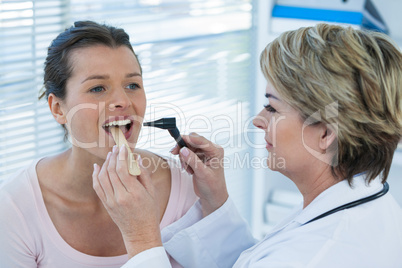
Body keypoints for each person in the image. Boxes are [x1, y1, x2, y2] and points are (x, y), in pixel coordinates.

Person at [93, 23, 402, 267]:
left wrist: (141, 238)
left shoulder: (315, 256)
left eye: (272, 108)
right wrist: (216, 199)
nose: (257, 119)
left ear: (325, 134)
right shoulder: (366, 200)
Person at [0, 21, 198, 268]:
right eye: (97, 88)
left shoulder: (185, 182)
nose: (122, 100)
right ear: (58, 108)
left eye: (132, 85)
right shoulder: (15, 208)